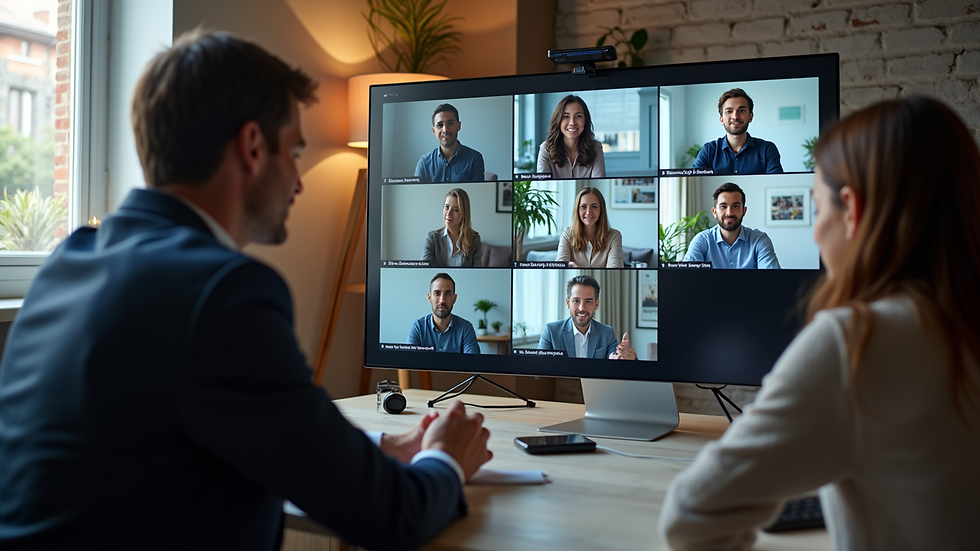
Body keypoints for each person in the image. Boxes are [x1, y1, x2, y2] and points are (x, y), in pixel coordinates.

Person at [0, 31, 492, 551]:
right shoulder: (222, 292)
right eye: (294, 153)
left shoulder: (69, 261)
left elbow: (183, 436)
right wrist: (446, 459)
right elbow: (392, 517)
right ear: (253, 147)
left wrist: (379, 447)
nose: (299, 183)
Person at [660, 96, 980, 550]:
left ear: (851, 209)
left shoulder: (857, 341)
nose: (814, 230)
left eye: (816, 205)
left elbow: (690, 516)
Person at [684, 182, 780, 269]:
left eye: (735, 206)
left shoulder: (759, 240)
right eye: (723, 206)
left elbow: (772, 280)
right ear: (714, 212)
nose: (729, 213)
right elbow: (688, 279)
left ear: (744, 211)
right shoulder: (702, 241)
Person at [538, 275, 635, 359]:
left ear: (596, 304)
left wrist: (625, 358)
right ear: (568, 303)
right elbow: (539, 364)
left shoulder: (607, 333)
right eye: (576, 301)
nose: (582, 308)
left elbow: (614, 360)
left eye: (588, 301)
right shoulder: (551, 331)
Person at [693, 88, 783, 174]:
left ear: (750, 117)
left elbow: (776, 185)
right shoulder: (708, 151)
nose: (735, 116)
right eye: (729, 111)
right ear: (721, 119)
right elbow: (697, 182)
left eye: (742, 110)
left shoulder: (767, 150)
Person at [408, 273, 481, 354]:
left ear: (454, 298)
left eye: (447, 294)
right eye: (437, 294)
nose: (442, 300)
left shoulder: (466, 328)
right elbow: (411, 363)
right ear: (429, 297)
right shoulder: (418, 327)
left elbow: (472, 364)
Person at [536, 95, 606, 178]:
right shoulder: (546, 148)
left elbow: (599, 179)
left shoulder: (596, 147)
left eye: (578, 116)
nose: (572, 122)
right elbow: (543, 185)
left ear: (585, 120)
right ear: (558, 120)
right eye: (566, 116)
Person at [415, 103, 486, 183]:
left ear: (458, 126)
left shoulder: (474, 159)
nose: (445, 130)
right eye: (440, 125)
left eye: (450, 123)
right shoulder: (424, 163)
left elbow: (476, 193)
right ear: (434, 130)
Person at [556, 187, 624, 268]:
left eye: (594, 206)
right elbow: (560, 266)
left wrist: (577, 268)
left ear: (601, 210)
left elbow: (615, 268)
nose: (588, 212)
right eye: (583, 207)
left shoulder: (614, 236)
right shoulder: (567, 234)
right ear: (577, 210)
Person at [422, 188, 483, 267]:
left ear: (464, 213)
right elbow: (424, 269)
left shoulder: (474, 239)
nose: (449, 214)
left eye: (456, 210)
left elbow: (477, 272)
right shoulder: (432, 238)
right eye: (447, 207)